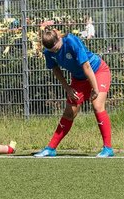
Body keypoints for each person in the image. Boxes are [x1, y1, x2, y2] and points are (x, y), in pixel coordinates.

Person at [32, 26, 114, 158]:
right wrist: (67, 88)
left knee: (97, 105)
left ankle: (108, 149)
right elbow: (55, 69)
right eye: (52, 51)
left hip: (97, 71)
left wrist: (95, 88)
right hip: (79, 78)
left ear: (59, 38)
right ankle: (51, 149)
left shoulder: (71, 41)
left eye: (57, 49)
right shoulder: (48, 52)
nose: (55, 52)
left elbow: (86, 66)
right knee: (70, 112)